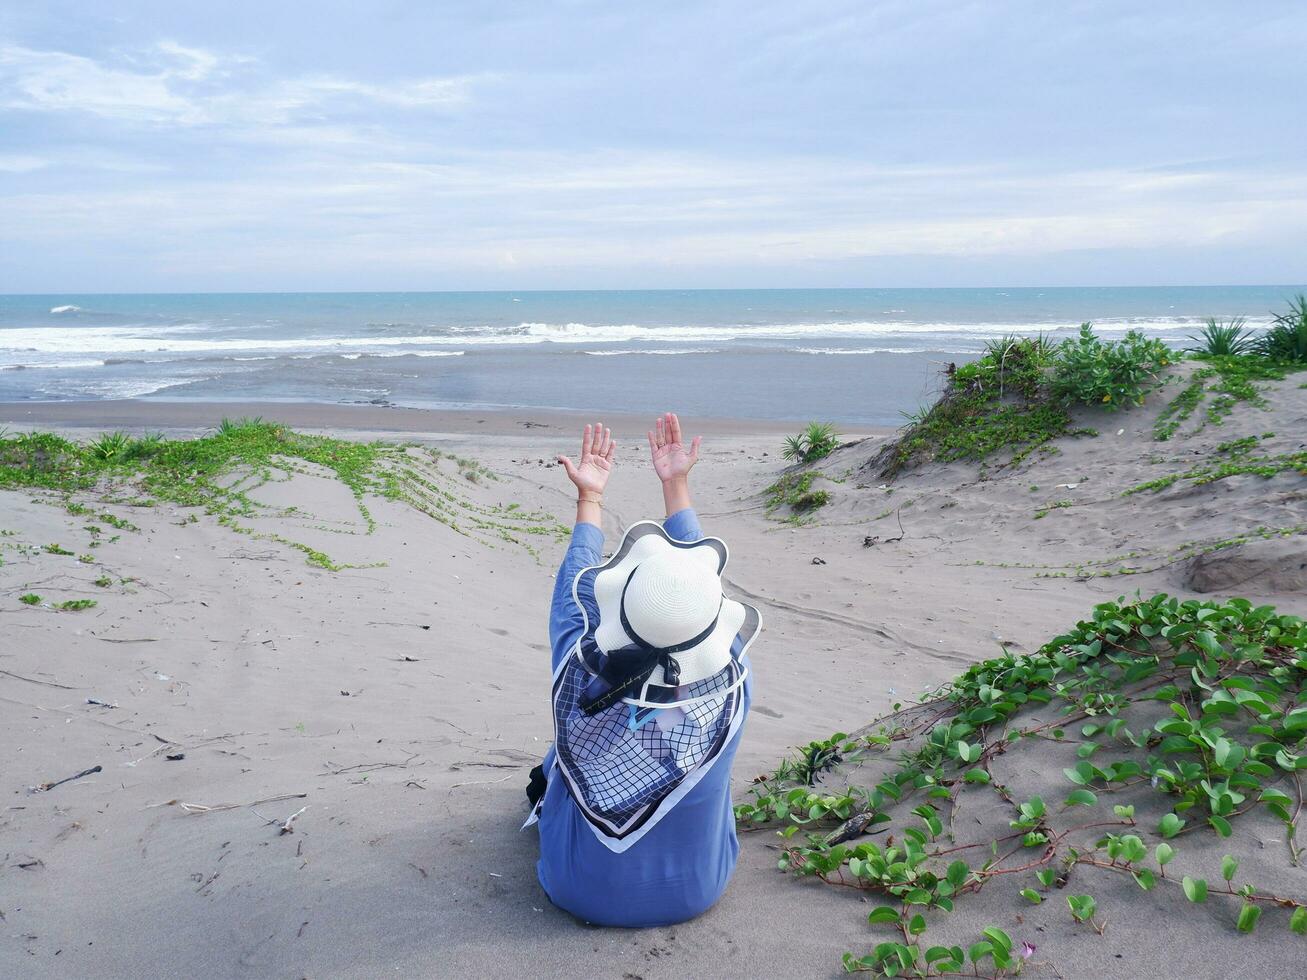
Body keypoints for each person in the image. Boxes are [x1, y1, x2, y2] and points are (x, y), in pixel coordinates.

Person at [526, 413, 761, 927]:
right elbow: (698, 594)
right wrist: (676, 485)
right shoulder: (735, 679)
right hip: (698, 890)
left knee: (562, 757)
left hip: (576, 891)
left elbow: (573, 589)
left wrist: (590, 498)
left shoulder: (577, 665)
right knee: (679, 749)